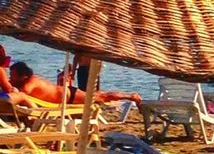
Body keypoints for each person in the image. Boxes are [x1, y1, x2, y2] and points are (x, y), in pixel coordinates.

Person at [7, 62, 141, 110]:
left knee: (102, 97)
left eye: (12, 76)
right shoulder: (28, 80)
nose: (10, 78)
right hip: (66, 95)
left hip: (70, 96)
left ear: (23, 76)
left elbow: (23, 93)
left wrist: (10, 87)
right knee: (100, 95)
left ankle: (131, 96)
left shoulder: (31, 81)